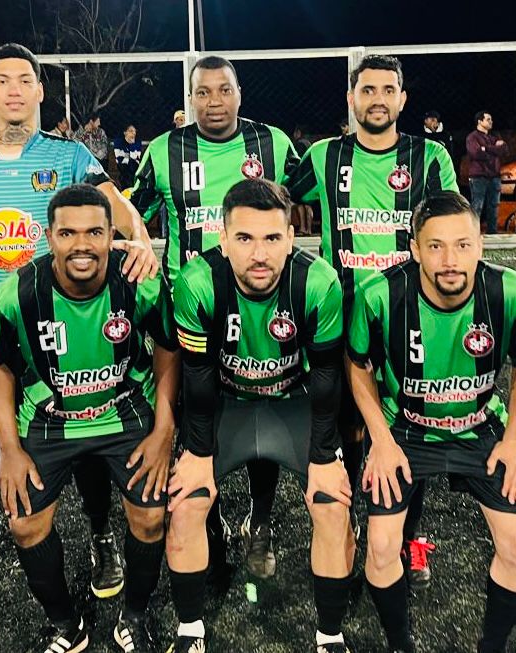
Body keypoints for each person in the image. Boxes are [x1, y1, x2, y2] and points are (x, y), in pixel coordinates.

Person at [0, 42, 158, 610]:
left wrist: (143, 242)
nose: (15, 90)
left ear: (40, 91)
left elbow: (118, 209)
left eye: (25, 80)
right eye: (3, 80)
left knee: (89, 439)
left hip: (66, 333)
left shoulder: (69, 156)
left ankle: (101, 538)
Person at [286, 53, 458, 588]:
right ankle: (353, 524)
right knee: (346, 428)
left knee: (410, 427)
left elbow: (451, 226)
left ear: (402, 99)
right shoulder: (323, 156)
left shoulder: (430, 157)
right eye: (367, 90)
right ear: (351, 99)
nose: (377, 99)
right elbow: (278, 199)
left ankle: (410, 536)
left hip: (409, 319)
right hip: (339, 319)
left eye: (388, 90)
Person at [0, 183, 179, 653]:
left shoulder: (140, 283)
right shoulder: (16, 294)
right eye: (67, 233)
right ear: (48, 236)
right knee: (25, 525)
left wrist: (164, 430)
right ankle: (65, 626)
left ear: (112, 234)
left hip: (125, 408)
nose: (82, 245)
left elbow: (168, 348)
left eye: (94, 232)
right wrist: (9, 448)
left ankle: (134, 617)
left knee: (151, 517)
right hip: (48, 419)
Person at [346, 190, 516, 653]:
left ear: (480, 245)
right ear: (415, 249)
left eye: (462, 245)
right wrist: (381, 440)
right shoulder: (380, 295)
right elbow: (358, 366)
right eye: (435, 246)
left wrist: (515, 440)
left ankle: (492, 647)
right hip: (405, 430)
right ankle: (400, 645)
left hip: (479, 428)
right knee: (381, 547)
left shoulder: (511, 292)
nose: (450, 260)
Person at [131, 55, 301, 582]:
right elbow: (131, 210)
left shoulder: (273, 144)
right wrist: (139, 242)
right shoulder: (163, 151)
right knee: (196, 419)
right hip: (190, 314)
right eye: (202, 93)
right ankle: (211, 521)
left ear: (239, 92)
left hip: (261, 311)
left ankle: (261, 519)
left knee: (261, 413)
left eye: (223, 90)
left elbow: (313, 196)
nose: (213, 102)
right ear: (190, 99)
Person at [166, 179, 354, 653]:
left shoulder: (318, 282)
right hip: (226, 404)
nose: (259, 254)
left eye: (272, 238)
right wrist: (197, 453)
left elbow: (327, 375)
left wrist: (324, 455)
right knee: (186, 504)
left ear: (291, 238)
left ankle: (330, 636)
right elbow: (197, 377)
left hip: (291, 403)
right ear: (223, 239)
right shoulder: (196, 282)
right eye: (245, 238)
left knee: (333, 507)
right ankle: (190, 631)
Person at [466, 111, 508, 235]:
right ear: (480, 121)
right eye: (488, 119)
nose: (491, 122)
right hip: (478, 176)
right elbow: (476, 154)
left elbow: (504, 150)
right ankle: (473, 233)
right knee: (477, 206)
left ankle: (492, 232)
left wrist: (486, 149)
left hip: (494, 176)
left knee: (494, 206)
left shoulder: (493, 137)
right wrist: (495, 150)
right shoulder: (472, 137)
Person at [113, 124, 143, 189]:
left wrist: (131, 145)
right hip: (123, 168)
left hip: (134, 168)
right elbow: (120, 159)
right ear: (125, 133)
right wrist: (130, 154)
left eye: (135, 131)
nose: (134, 133)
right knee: (125, 173)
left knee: (133, 165)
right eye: (131, 131)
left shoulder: (137, 142)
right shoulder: (119, 142)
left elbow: (136, 158)